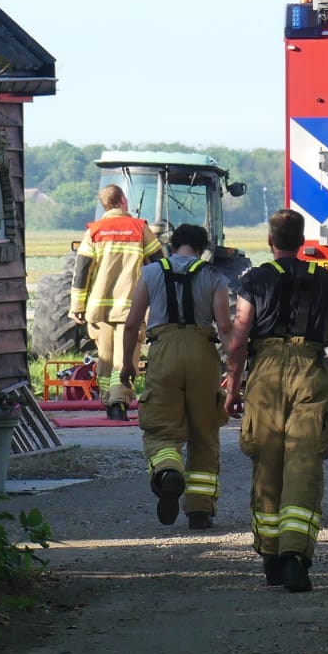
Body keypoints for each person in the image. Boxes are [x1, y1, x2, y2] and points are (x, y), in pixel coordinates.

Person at [223, 209, 328, 593]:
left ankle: (270, 557)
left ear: (270, 241)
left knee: (267, 462)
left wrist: (233, 385)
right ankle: (296, 557)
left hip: (264, 373)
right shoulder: (322, 278)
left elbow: (238, 339)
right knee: (303, 463)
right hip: (310, 371)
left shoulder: (254, 279)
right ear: (301, 242)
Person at [121, 223, 233, 529]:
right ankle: (200, 511)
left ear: (173, 244)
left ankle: (169, 471)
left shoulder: (151, 273)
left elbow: (132, 323)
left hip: (163, 351)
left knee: (162, 428)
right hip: (202, 353)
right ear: (202, 248)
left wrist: (128, 363)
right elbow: (224, 327)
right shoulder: (215, 276)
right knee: (204, 433)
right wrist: (235, 369)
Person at [70, 184, 162, 411]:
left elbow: (82, 271)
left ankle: (106, 399)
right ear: (122, 201)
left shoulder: (93, 232)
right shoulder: (139, 228)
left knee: (106, 357)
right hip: (132, 306)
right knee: (125, 357)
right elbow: (159, 263)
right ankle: (119, 399)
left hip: (99, 309)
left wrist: (77, 306)